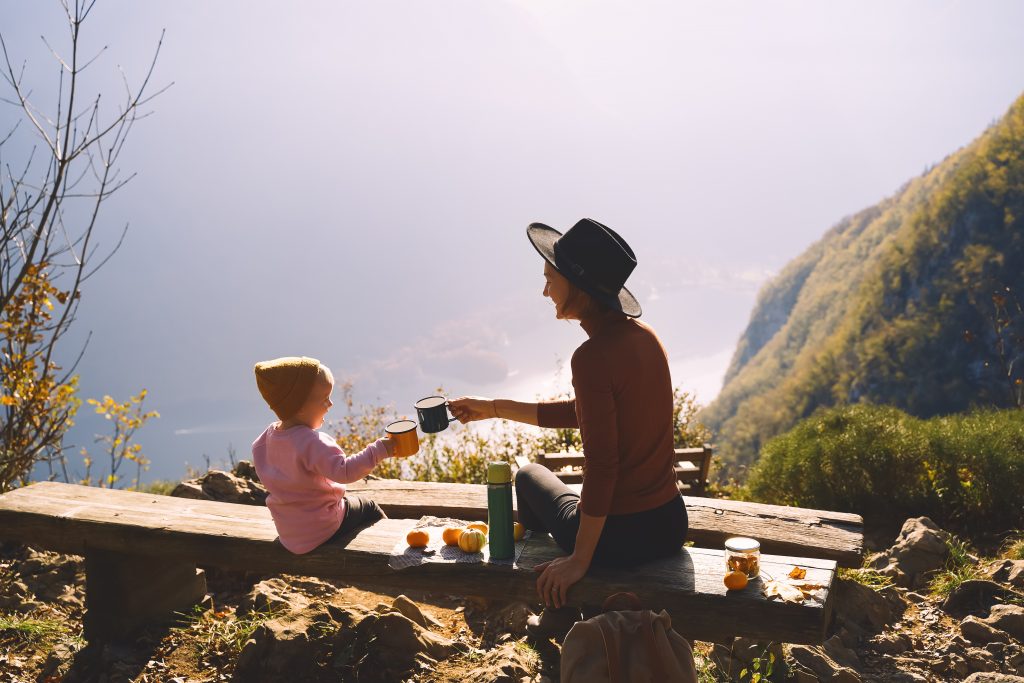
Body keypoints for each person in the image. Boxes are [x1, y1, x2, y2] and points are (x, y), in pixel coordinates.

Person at [449, 218, 688, 638]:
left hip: (618, 539)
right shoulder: (646, 338)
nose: (545, 291)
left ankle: (552, 599)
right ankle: (561, 593)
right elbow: (584, 411)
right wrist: (493, 407)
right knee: (552, 488)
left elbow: (603, 466)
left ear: (580, 287)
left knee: (526, 475)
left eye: (549, 280)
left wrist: (579, 559)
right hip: (669, 523)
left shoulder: (591, 356)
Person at [252, 356, 398, 554]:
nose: (329, 404)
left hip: (290, 532)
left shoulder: (264, 441)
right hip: (322, 528)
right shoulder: (312, 443)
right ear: (299, 405)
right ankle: (391, 552)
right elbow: (345, 471)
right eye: (324, 399)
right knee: (368, 506)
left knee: (348, 502)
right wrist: (381, 449)